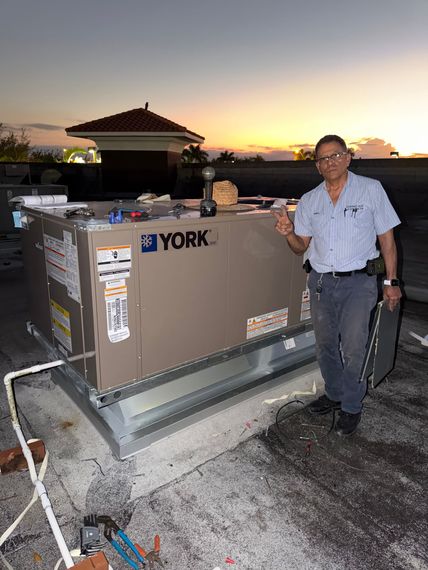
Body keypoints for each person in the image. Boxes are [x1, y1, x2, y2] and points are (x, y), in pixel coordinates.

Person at [273, 134, 401, 436]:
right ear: (317, 166)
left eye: (335, 155)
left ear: (347, 157)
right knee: (326, 344)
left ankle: (351, 406)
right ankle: (333, 394)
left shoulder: (371, 190)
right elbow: (299, 246)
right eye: (322, 159)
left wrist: (391, 281)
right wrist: (288, 232)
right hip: (320, 283)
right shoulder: (309, 200)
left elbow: (388, 241)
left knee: (355, 346)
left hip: (358, 283)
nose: (329, 162)